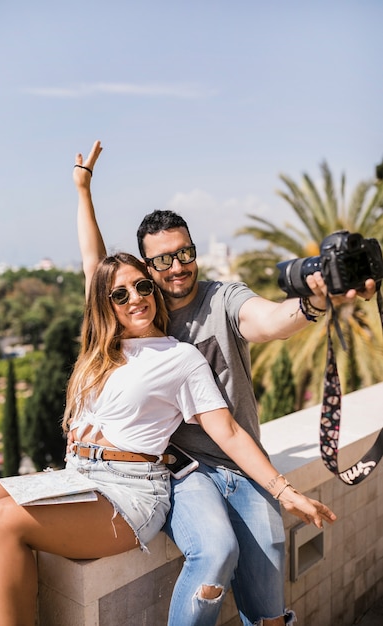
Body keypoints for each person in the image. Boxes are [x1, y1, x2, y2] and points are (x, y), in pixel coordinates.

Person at [71, 140, 376, 626]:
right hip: (181, 473)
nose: (178, 266)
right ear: (148, 270)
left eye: (185, 253)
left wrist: (315, 302)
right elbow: (97, 268)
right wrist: (83, 191)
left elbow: (270, 321)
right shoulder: (140, 311)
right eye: (164, 260)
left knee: (269, 600)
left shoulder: (223, 298)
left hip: (241, 463)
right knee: (214, 553)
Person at [0, 254, 337, 626]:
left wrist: (284, 492)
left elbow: (229, 431)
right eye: (120, 294)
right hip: (79, 475)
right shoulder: (99, 354)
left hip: (129, 491)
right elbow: (91, 260)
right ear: (104, 304)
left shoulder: (180, 357)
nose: (135, 298)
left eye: (143, 287)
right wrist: (83, 193)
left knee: (2, 522)